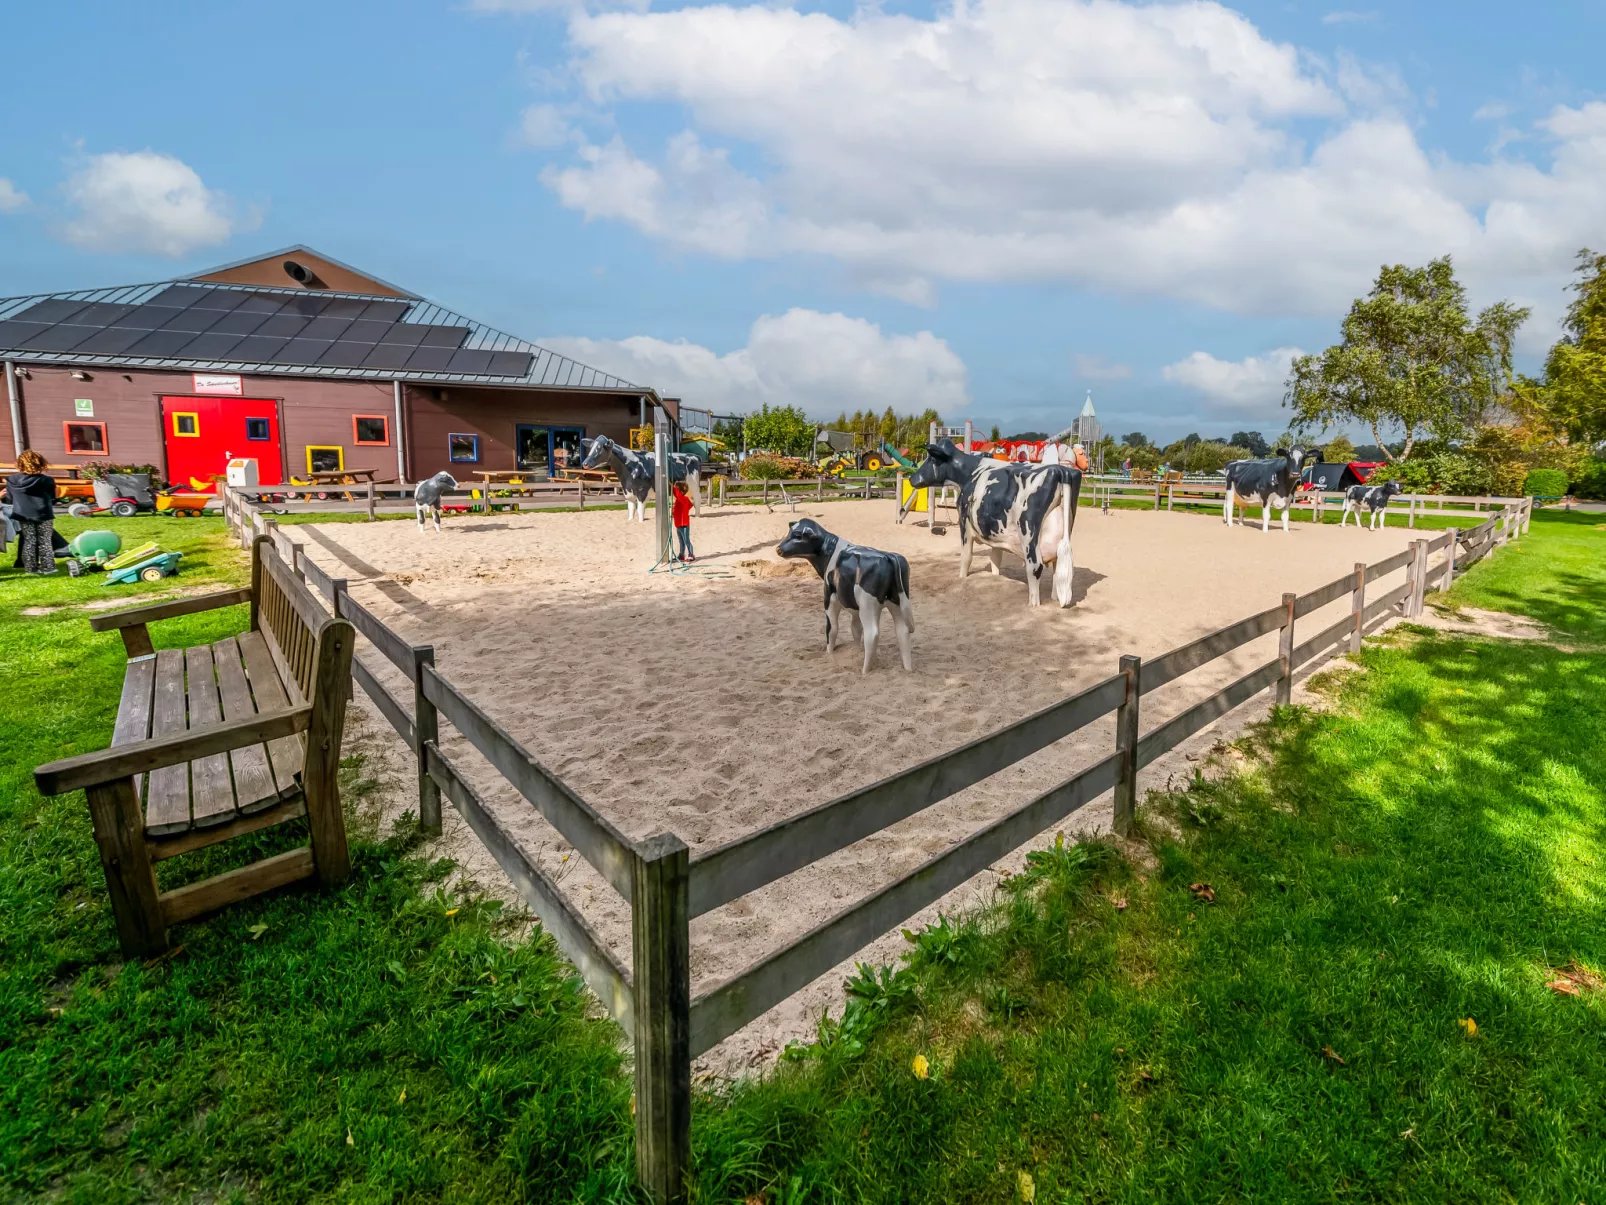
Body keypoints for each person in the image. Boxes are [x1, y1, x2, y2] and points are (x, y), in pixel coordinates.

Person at [5, 450, 59, 574]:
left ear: (20, 464)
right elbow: (52, 498)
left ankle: (30, 567)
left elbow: (9, 498)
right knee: (44, 540)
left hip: (22, 514)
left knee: (29, 540)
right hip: (43, 513)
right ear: (40, 463)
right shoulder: (47, 480)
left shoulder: (11, 480)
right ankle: (48, 567)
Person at [670, 480, 695, 562]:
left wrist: (672, 487)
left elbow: (677, 495)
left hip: (684, 524)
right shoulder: (679, 500)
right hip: (678, 524)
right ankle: (681, 555)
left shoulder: (684, 499)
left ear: (680, 491)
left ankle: (691, 554)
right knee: (681, 541)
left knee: (686, 540)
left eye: (677, 490)